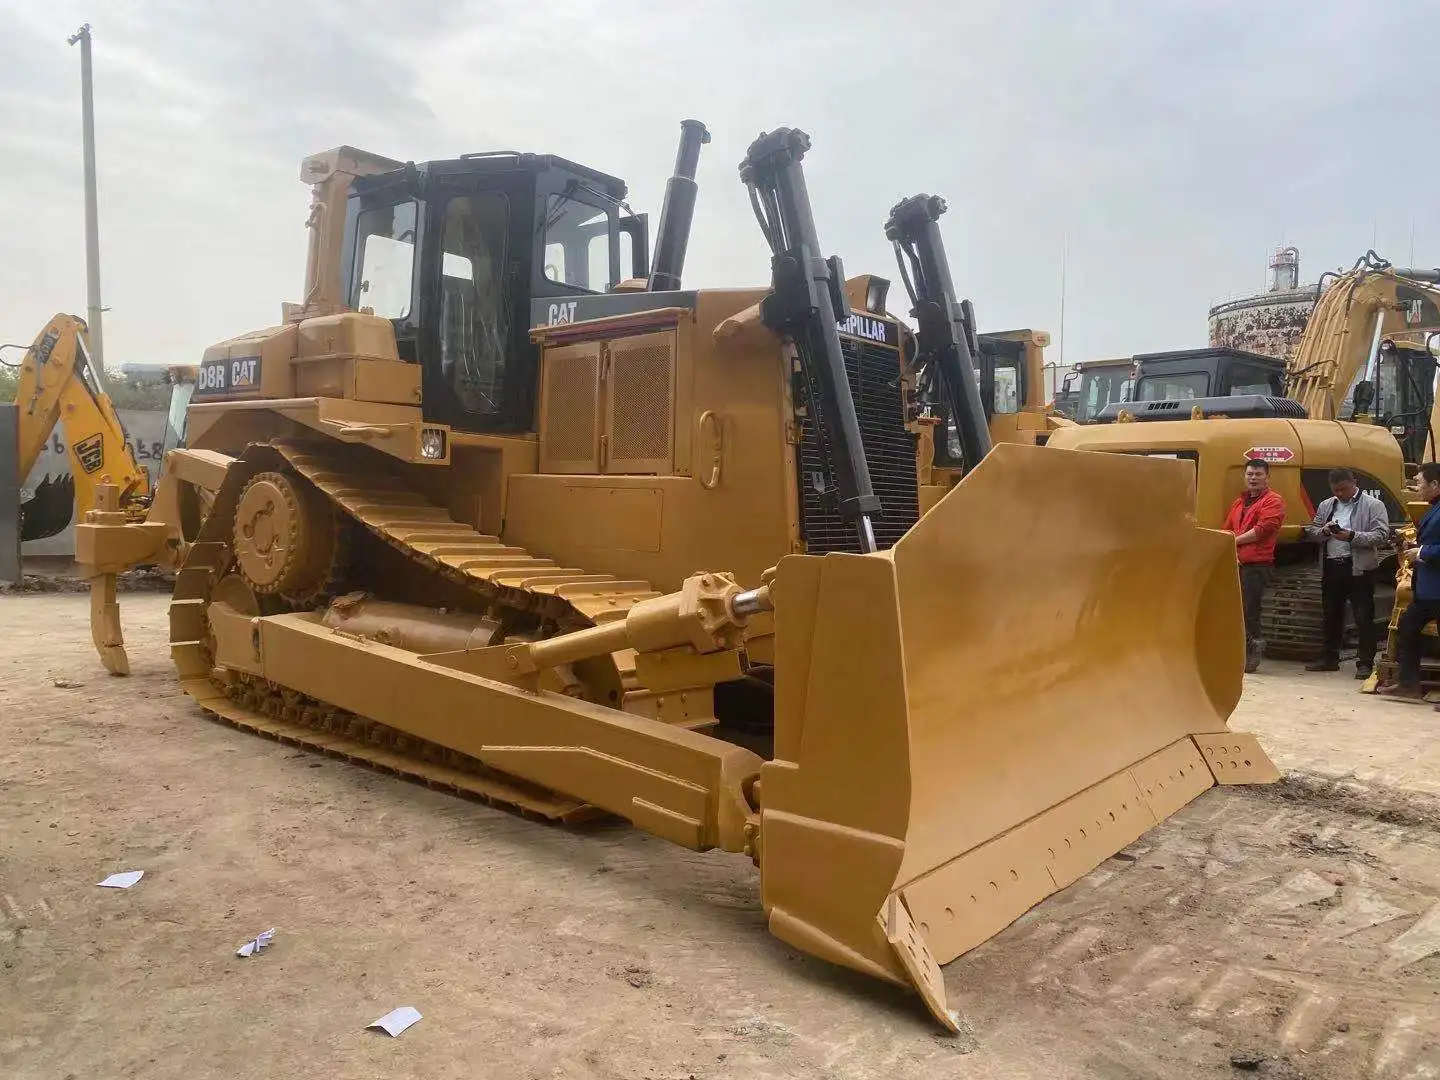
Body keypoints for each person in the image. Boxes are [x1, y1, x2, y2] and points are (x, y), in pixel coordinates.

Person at [1300, 468, 1390, 678]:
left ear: (1354, 483)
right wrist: (1323, 531)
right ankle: (1329, 658)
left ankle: (1365, 663)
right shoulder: (1326, 505)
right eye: (1336, 490)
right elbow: (1312, 531)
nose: (1340, 494)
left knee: (1363, 616)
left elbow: (1381, 535)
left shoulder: (1372, 505)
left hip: (1359, 568)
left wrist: (1351, 536)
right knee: (1331, 614)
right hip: (1332, 566)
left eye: (1343, 489)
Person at [1223, 459, 1287, 673]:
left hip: (1256, 564)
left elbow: (1264, 529)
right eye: (1250, 474)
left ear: (1267, 477)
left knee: (1250, 610)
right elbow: (1228, 528)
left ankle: (1253, 649)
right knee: (1235, 611)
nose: (1253, 478)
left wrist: (1234, 541)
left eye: (1258, 474)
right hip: (1236, 562)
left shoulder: (1273, 501)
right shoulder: (1239, 503)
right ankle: (1237, 651)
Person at [1383, 461, 1440, 699]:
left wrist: (1422, 553)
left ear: (1435, 484)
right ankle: (1409, 684)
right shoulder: (1434, 508)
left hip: (1436, 588)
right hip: (1427, 590)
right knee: (1408, 626)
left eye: (1419, 483)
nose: (1417, 488)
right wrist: (1414, 547)